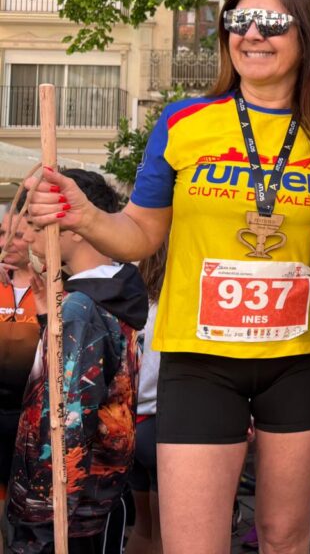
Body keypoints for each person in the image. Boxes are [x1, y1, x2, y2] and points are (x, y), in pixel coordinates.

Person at [26, 0, 310, 554]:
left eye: (273, 22)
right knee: (192, 544)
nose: (252, 34)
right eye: (238, 20)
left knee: (283, 537)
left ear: (305, 32)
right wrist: (84, 215)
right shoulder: (184, 122)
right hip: (201, 359)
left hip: (304, 357)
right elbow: (140, 233)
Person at [7, 170, 147, 553]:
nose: (28, 236)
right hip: (92, 495)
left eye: (37, 224)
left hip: (69, 508)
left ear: (73, 228)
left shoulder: (82, 307)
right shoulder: (107, 294)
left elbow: (68, 417)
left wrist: (46, 509)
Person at [125, 243, 166, 554]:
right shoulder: (173, 307)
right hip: (160, 424)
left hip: (129, 423)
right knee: (166, 536)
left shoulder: (132, 300)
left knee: (144, 526)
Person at [0, 200, 41, 505]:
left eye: (15, 235)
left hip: (32, 418)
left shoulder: (54, 288)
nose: (4, 243)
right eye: (2, 233)